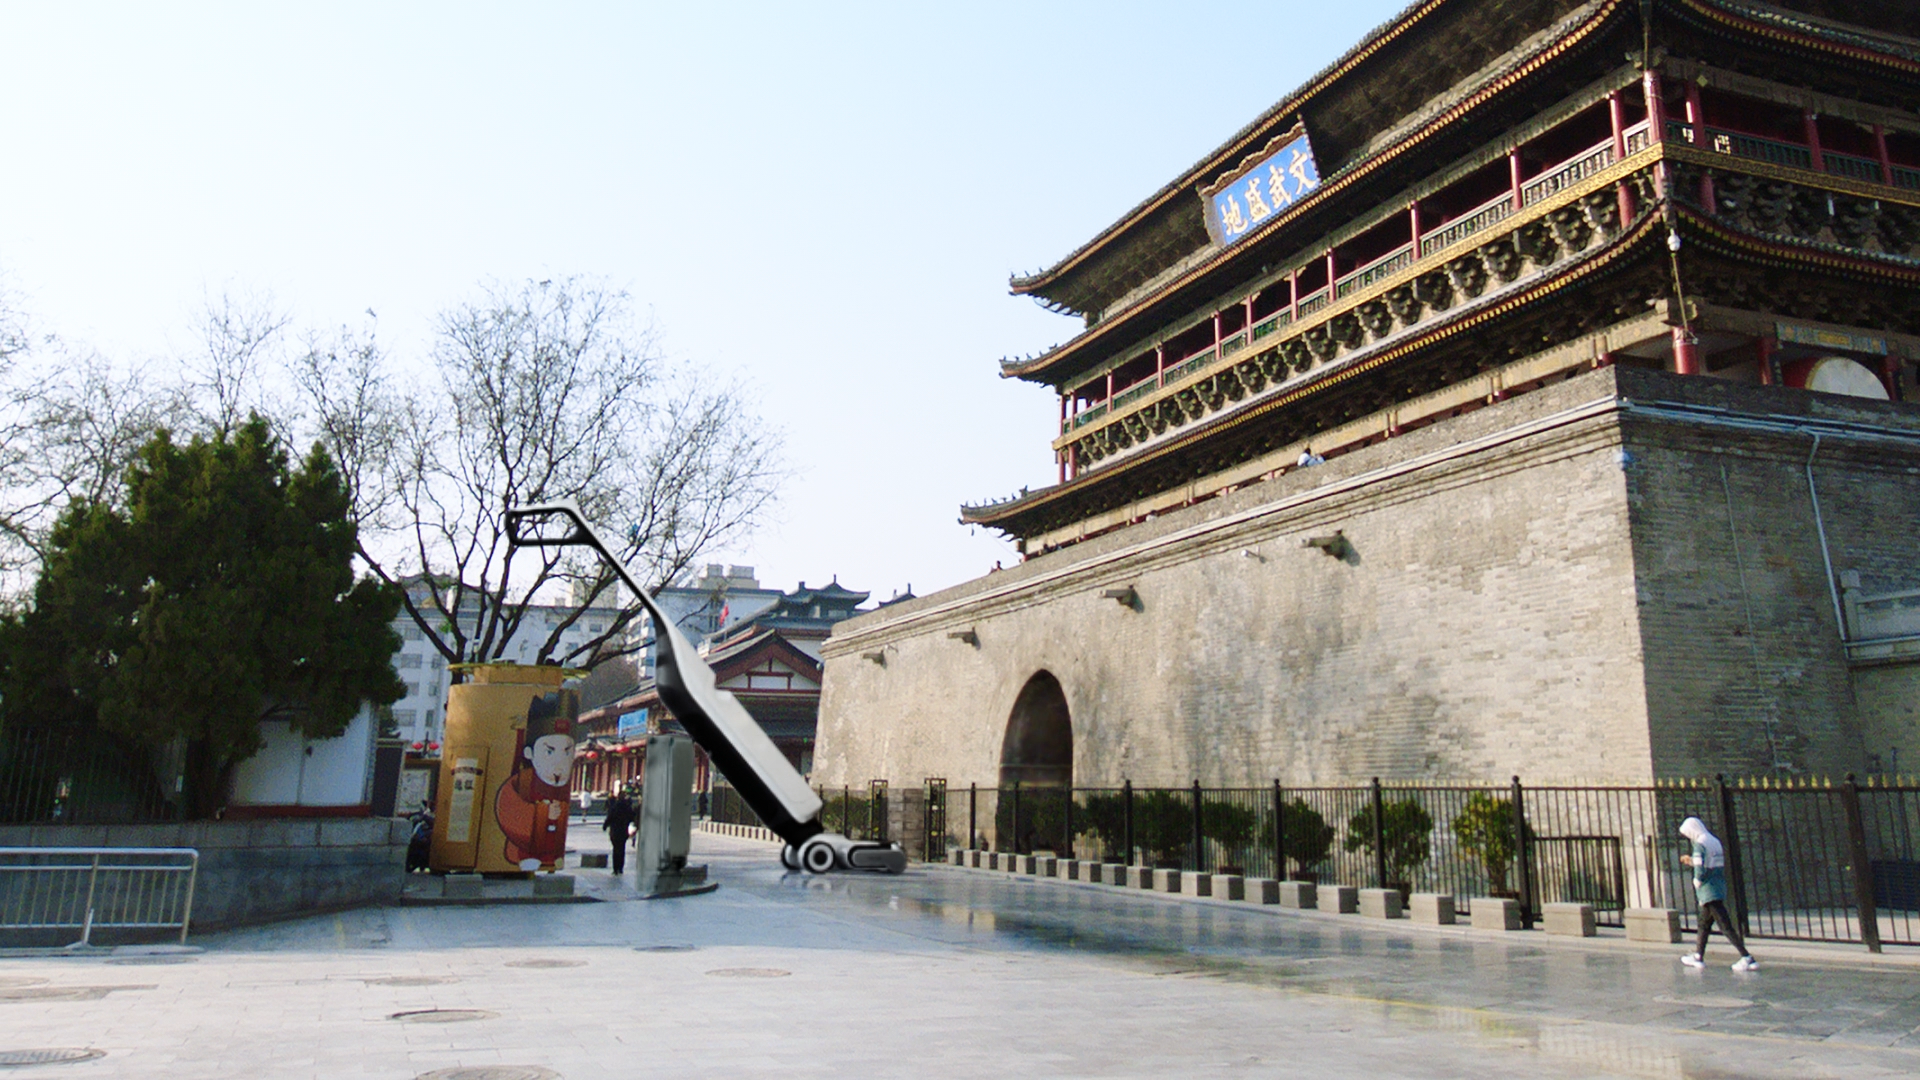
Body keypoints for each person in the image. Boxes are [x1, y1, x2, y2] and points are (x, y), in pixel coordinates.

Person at [1678, 816, 1757, 972]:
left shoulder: (1699, 844)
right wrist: (1692, 861)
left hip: (1708, 890)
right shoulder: (1713, 841)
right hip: (1718, 886)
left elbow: (1701, 867)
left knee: (1725, 926)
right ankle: (1698, 956)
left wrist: (1697, 881)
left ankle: (1747, 957)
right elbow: (1712, 863)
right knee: (1704, 924)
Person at [603, 789, 636, 876]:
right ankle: (620, 868)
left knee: (615, 849)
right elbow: (632, 817)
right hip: (623, 831)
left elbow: (610, 817)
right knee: (621, 849)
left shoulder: (615, 806)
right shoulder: (627, 807)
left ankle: (615, 868)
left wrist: (605, 826)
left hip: (614, 831)